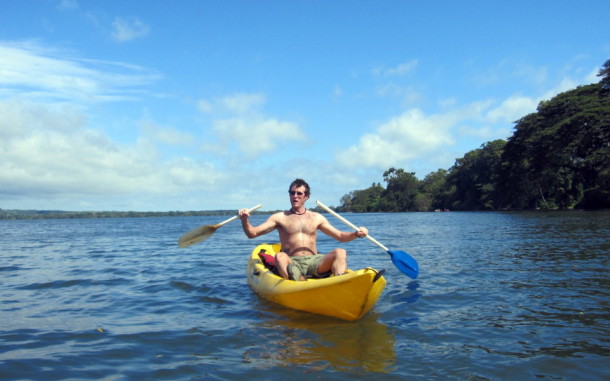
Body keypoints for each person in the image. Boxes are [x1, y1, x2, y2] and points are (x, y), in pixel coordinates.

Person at [238, 178, 368, 281]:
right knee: (280, 256)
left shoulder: (316, 217)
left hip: (314, 261)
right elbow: (252, 234)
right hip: (292, 261)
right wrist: (245, 220)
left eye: (299, 193)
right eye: (292, 193)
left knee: (340, 252)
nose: (295, 196)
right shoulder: (279, 218)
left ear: (306, 196)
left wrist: (356, 234)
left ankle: (340, 284)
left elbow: (340, 236)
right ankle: (297, 283)